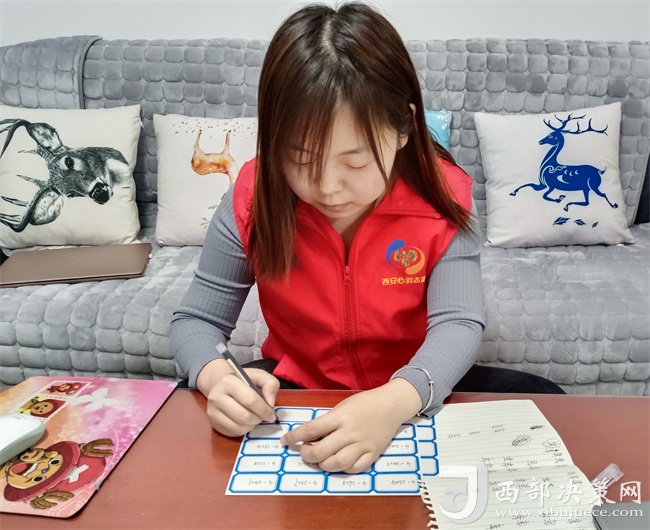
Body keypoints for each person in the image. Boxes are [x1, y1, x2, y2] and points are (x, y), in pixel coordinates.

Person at [170, 1, 562, 475]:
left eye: (355, 162)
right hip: (301, 386)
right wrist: (218, 377)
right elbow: (196, 321)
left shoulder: (442, 197)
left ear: (403, 128)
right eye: (300, 159)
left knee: (549, 404)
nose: (328, 188)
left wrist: (393, 401)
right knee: (186, 415)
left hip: (413, 386)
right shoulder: (253, 198)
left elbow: (458, 323)